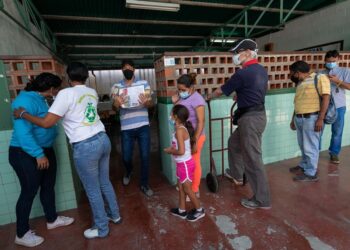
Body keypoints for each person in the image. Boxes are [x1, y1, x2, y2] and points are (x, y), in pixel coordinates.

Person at [13, 62, 121, 239]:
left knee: (92, 190)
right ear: (86, 77)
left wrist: (23, 114)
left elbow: (47, 122)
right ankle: (114, 215)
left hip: (86, 146)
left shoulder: (65, 93)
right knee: (104, 182)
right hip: (103, 139)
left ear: (68, 77)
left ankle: (101, 228)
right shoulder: (91, 92)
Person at [9, 73, 74, 247]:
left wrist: (44, 151)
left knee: (47, 186)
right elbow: (23, 134)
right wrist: (38, 154)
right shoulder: (24, 101)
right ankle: (21, 234)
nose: (58, 91)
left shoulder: (40, 98)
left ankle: (52, 220)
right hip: (25, 154)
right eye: (57, 88)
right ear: (51, 89)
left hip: (45, 150)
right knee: (28, 192)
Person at [209, 39, 271, 209]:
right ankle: (236, 174)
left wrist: (207, 97)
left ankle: (262, 199)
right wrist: (242, 94)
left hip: (250, 119)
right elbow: (262, 88)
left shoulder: (242, 73)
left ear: (249, 53)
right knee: (233, 144)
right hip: (256, 116)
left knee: (253, 159)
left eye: (238, 52)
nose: (235, 56)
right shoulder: (261, 70)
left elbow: (220, 90)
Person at [110, 59, 154, 196]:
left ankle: (144, 184)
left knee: (145, 156)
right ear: (122, 70)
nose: (127, 70)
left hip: (143, 126)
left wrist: (147, 102)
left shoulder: (144, 84)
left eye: (130, 67)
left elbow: (151, 104)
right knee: (126, 157)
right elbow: (114, 108)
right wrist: (117, 104)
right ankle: (128, 170)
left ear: (134, 69)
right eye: (125, 68)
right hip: (126, 128)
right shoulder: (116, 87)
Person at [289, 61, 331, 181]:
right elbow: (297, 102)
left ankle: (311, 173)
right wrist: (293, 119)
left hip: (312, 118)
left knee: (310, 146)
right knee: (303, 144)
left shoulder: (320, 78)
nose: (292, 76)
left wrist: (320, 119)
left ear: (299, 72)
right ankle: (304, 165)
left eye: (293, 73)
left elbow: (326, 97)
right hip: (299, 117)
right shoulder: (300, 82)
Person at [164, 104, 205, 222]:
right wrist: (173, 148)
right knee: (181, 188)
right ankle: (182, 210)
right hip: (181, 164)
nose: (170, 116)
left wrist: (170, 151)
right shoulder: (180, 129)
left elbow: (181, 151)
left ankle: (199, 210)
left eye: (171, 114)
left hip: (185, 165)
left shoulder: (179, 131)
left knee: (187, 189)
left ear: (176, 117)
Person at [171, 73, 205, 197]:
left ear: (191, 87)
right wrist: (175, 103)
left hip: (195, 136)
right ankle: (186, 187)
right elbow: (175, 116)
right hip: (184, 137)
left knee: (194, 163)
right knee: (185, 162)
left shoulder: (197, 99)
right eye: (178, 89)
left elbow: (201, 121)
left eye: (183, 90)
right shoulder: (181, 98)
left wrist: (194, 141)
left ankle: (195, 190)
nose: (180, 92)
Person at [321, 50, 350, 164]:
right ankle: (315, 151)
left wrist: (338, 81)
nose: (331, 63)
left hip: (339, 105)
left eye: (333, 61)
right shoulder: (321, 73)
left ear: (338, 59)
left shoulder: (345, 71)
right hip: (324, 106)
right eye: (328, 61)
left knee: (337, 131)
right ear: (325, 61)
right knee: (318, 130)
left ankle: (334, 153)